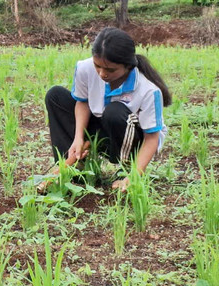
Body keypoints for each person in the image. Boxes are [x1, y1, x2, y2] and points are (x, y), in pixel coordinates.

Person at [44, 27, 172, 191]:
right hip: (102, 129)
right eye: (97, 66)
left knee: (114, 111)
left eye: (110, 70)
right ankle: (75, 167)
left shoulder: (148, 90)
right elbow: (83, 103)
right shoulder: (85, 68)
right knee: (55, 96)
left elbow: (152, 138)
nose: (102, 74)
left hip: (132, 139)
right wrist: (78, 138)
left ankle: (125, 170)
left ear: (128, 66)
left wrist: (135, 175)